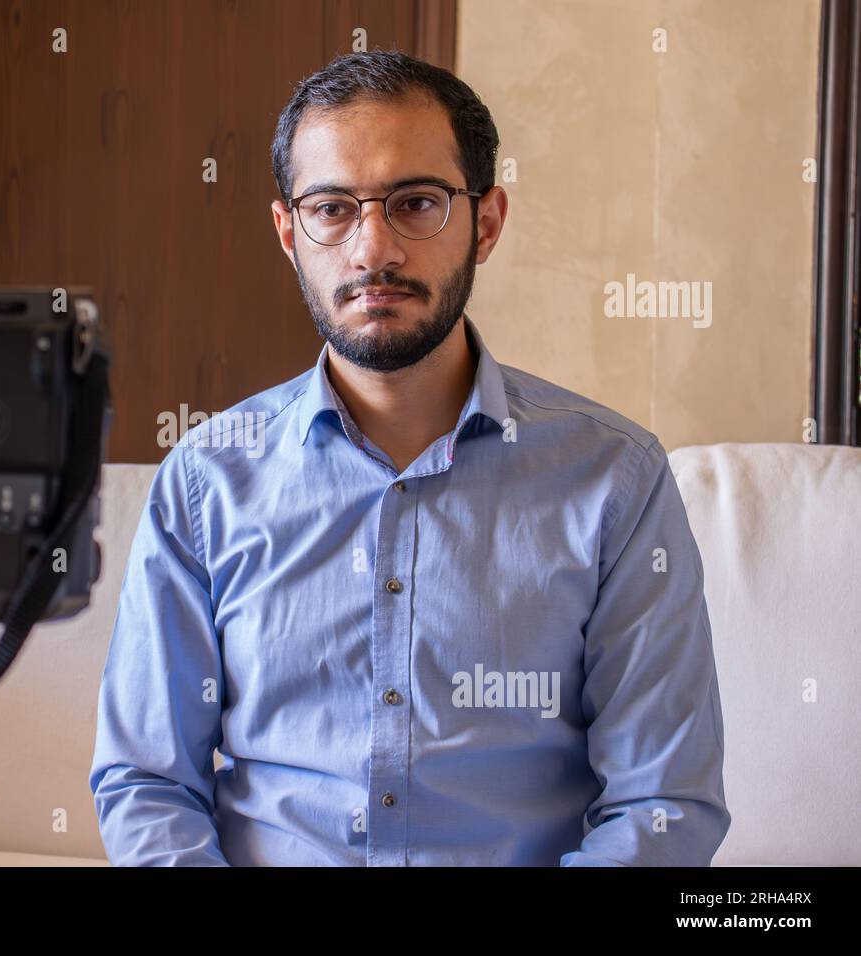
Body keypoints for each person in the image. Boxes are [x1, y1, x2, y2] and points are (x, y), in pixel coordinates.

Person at [89, 50, 731, 866]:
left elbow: (663, 803)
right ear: (289, 233)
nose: (373, 250)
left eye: (416, 203)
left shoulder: (616, 479)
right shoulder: (206, 481)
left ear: (486, 223)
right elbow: (148, 784)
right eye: (331, 209)